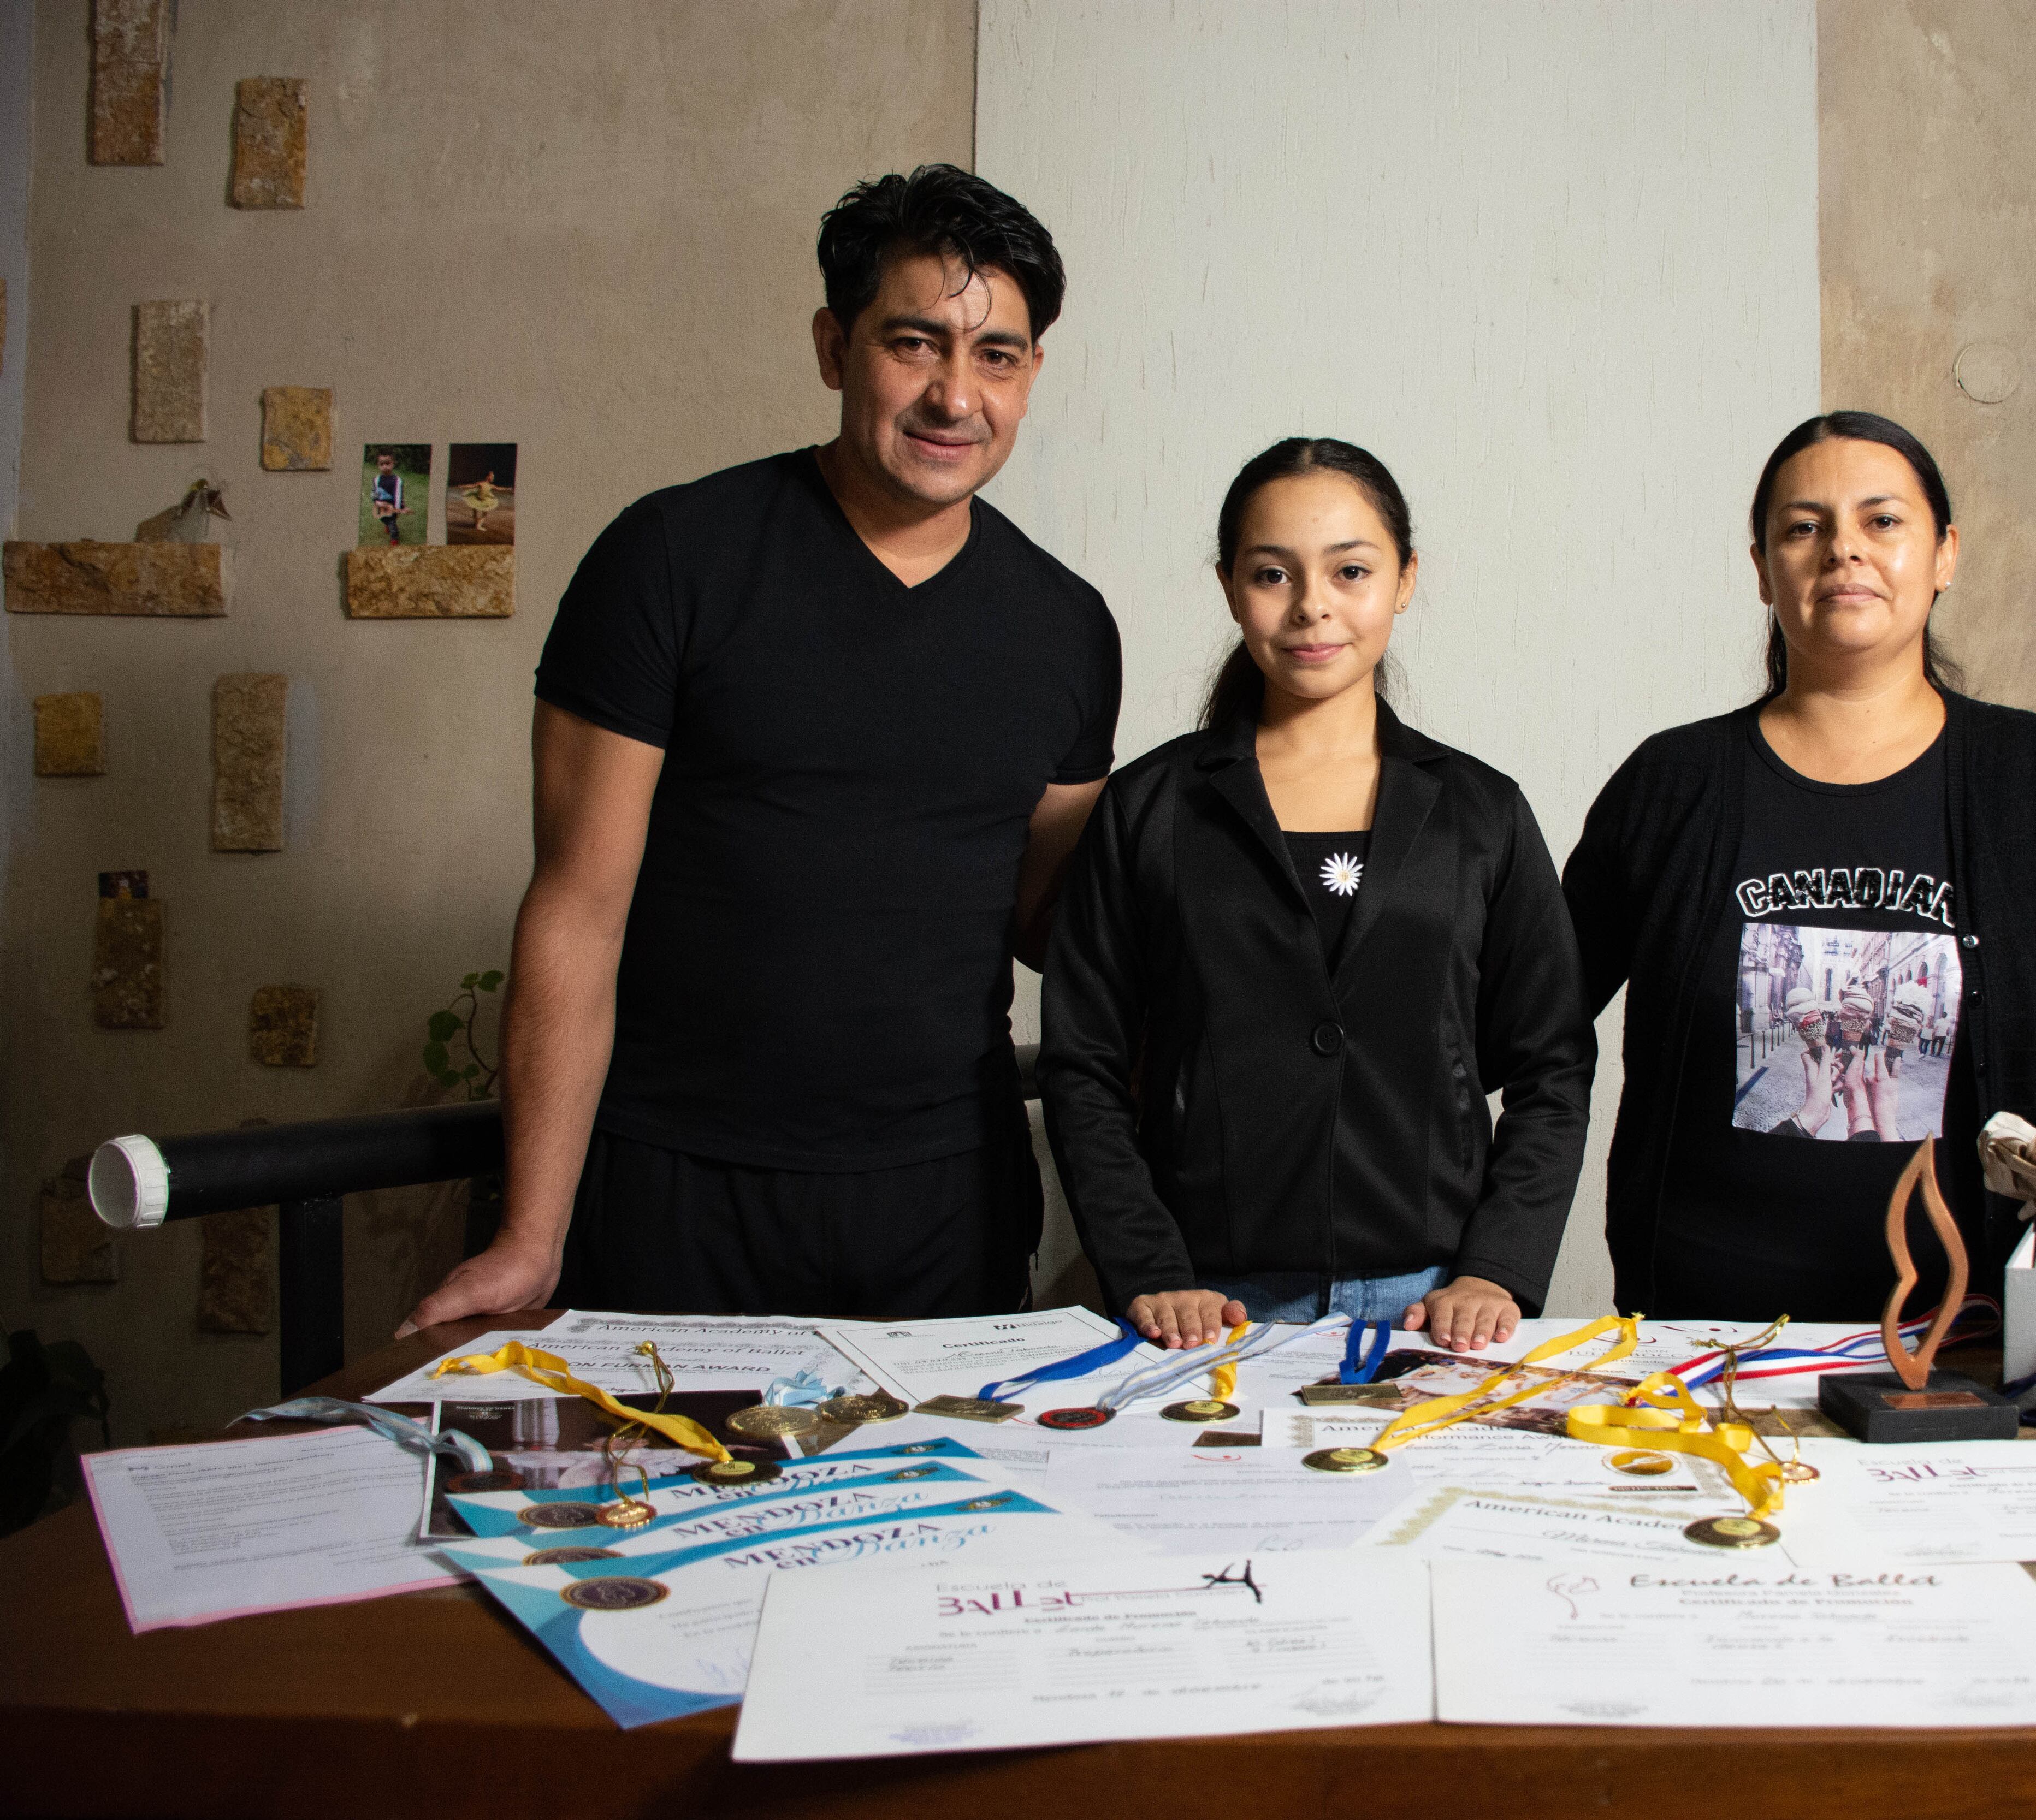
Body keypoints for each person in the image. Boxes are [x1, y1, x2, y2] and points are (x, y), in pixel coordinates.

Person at [399, 166, 1119, 1332]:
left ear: (1032, 375)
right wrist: (530, 1237)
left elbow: (1055, 923)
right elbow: (578, 910)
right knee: (667, 1512)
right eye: (914, 342)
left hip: (947, 1198)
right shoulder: (672, 559)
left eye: (995, 355)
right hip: (679, 1183)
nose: (953, 393)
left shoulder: (1068, 624)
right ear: (835, 348)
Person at [1565, 411, 2036, 1323]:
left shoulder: (2031, 776)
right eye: (1805, 527)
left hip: (1964, 1334)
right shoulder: (1673, 782)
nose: (1843, 551)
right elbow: (1529, 1022)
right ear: (1762, 566)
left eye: (1883, 521)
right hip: (1700, 1330)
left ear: (1944, 553)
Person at [1039, 438, 1594, 1353]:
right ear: (1229, 586)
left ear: (1405, 579)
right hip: (1201, 1307)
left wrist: (1498, 1266)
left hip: (1431, 1304)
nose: (1313, 606)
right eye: (1272, 573)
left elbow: (1553, 1065)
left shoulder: (1480, 812)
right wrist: (1149, 1267)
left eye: (1351, 569)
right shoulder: (1151, 807)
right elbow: (1083, 1062)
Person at [370, 450, 406, 544]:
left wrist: (398, 508)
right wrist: (377, 502)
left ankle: (394, 539)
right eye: (382, 464)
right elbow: (375, 492)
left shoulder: (397, 480)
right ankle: (387, 525)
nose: (385, 466)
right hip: (381, 506)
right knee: (384, 519)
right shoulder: (377, 479)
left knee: (392, 524)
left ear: (393, 464)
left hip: (392, 506)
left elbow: (399, 494)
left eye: (388, 464)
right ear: (378, 465)